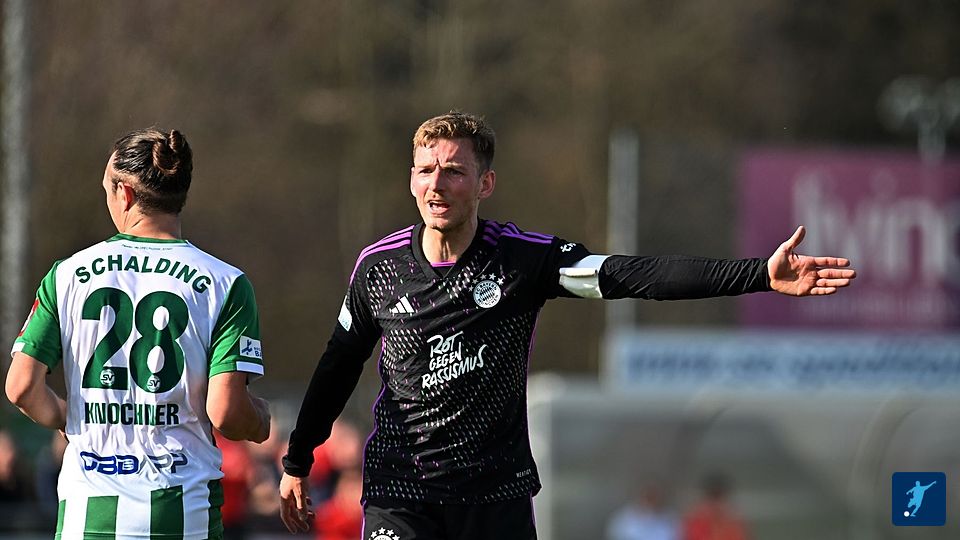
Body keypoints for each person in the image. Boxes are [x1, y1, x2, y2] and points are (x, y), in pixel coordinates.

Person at [278, 111, 856, 539]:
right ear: (411, 179)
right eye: (426, 170)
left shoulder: (524, 261)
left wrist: (759, 274)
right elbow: (338, 364)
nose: (437, 184)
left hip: (495, 493)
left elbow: (632, 275)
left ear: (485, 183)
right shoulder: (379, 269)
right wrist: (298, 459)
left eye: (454, 171)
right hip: (403, 488)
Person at [5, 128, 271, 539]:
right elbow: (227, 413)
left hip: (87, 516)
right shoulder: (225, 282)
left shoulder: (67, 275)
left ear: (125, 193)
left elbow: (21, 387)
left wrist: (65, 416)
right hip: (181, 514)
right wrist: (259, 421)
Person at [681, 474, 748, 540]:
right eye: (713, 496)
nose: (716, 504)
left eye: (719, 497)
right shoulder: (695, 520)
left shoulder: (734, 523)